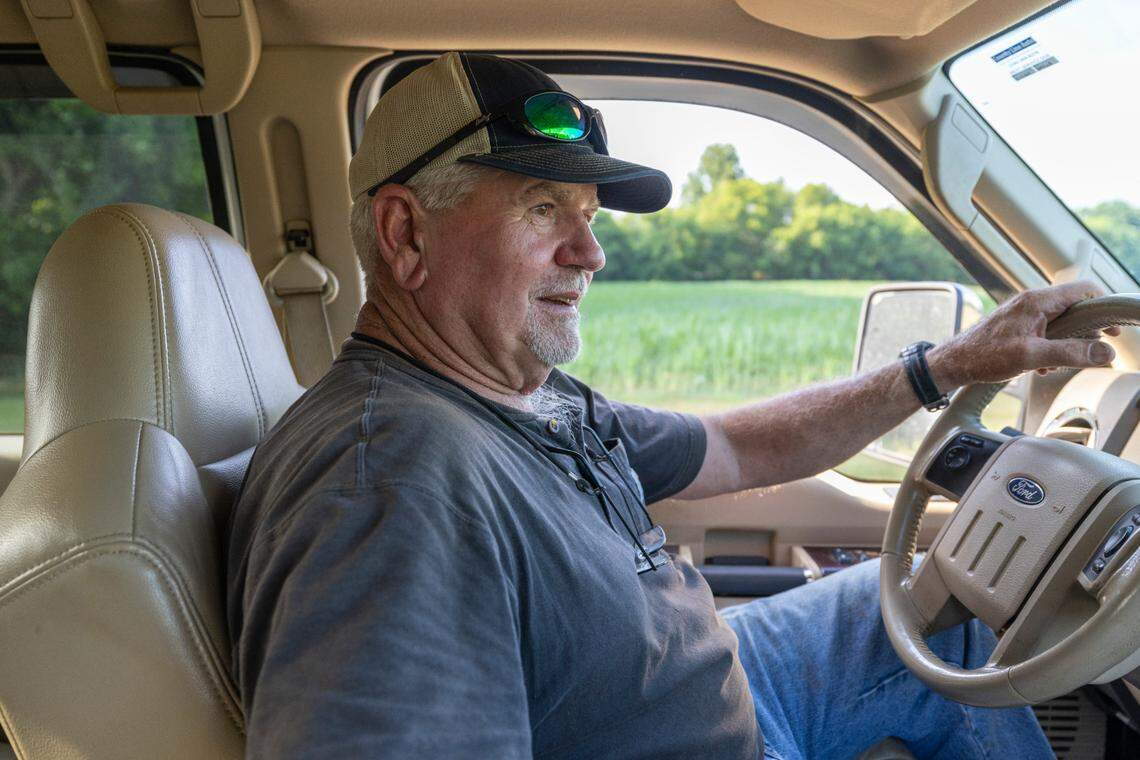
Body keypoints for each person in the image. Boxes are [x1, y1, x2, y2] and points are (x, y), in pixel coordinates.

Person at [226, 52, 1113, 759]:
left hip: (730, 689)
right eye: (544, 209)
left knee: (932, 622)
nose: (592, 252)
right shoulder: (388, 486)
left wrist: (949, 366)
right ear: (404, 233)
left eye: (590, 213)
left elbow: (734, 447)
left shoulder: (523, 398)